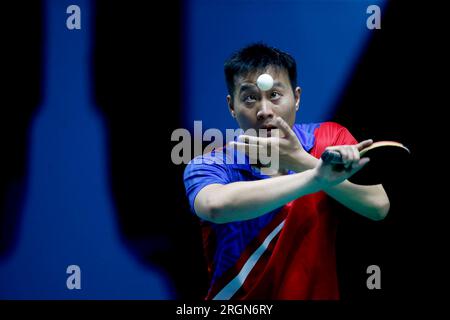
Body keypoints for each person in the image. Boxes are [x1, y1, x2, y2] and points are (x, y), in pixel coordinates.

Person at [183, 43, 390, 300]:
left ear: (297, 97)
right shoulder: (211, 164)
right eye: (249, 98)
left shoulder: (328, 139)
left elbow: (378, 206)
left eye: (275, 95)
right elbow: (214, 206)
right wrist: (316, 177)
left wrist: (301, 161)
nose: (264, 111)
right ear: (231, 106)